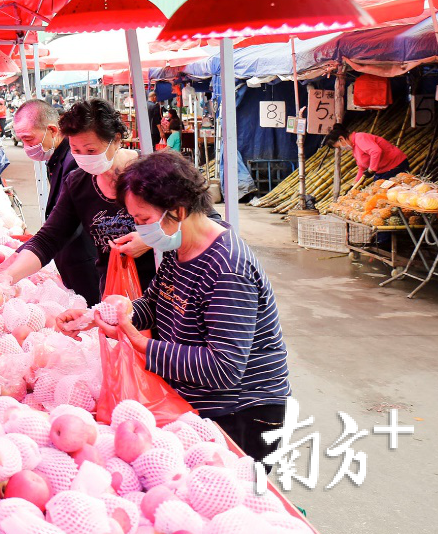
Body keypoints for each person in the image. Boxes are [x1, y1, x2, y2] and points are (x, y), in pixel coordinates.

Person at [58, 152, 291, 461]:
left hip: (242, 412)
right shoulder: (178, 247)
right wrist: (105, 314)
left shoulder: (227, 269)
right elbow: (157, 303)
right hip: (196, 402)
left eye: (143, 220)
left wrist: (140, 343)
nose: (140, 230)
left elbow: (223, 367)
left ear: (178, 211)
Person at [0, 98, 153, 300]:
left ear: (117, 140)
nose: (84, 158)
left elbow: (202, 222)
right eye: (76, 150)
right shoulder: (77, 182)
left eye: (91, 150)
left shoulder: (154, 171)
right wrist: (7, 276)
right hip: (113, 295)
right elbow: (49, 239)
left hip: (164, 294)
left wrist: (150, 239)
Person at [13, 99, 101, 304]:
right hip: (70, 259)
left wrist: (17, 262)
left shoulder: (74, 163)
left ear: (52, 130)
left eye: (29, 139)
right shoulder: (56, 158)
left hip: (85, 262)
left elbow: (64, 226)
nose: (27, 147)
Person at [325, 123, 409, 186]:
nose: (341, 149)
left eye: (339, 147)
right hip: (382, 170)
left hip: (395, 166)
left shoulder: (360, 138)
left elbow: (376, 151)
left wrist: (371, 169)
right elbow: (362, 168)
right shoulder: (354, 148)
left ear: (341, 139)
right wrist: (355, 183)